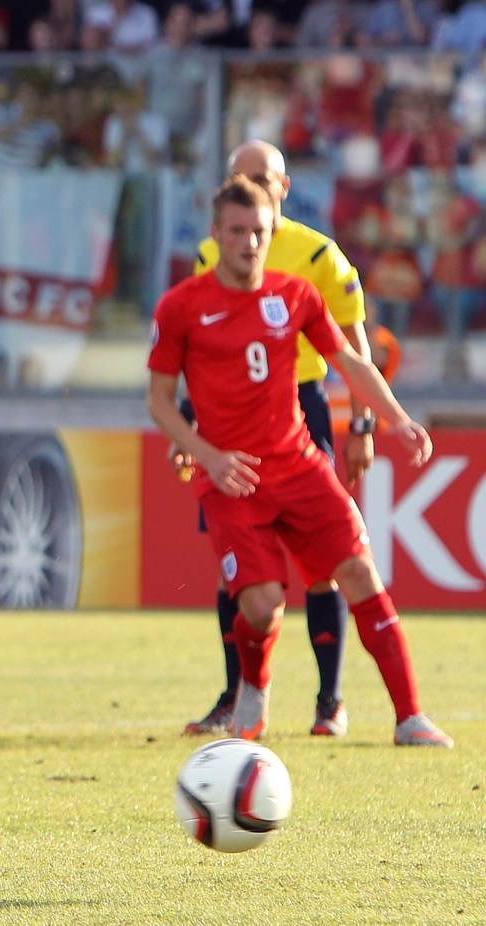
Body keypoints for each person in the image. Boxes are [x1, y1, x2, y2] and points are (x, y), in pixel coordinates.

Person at [147, 175, 452, 749]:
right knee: (261, 607)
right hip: (233, 478)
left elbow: (352, 362)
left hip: (299, 464)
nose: (248, 242)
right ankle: (254, 688)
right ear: (215, 235)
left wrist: (395, 417)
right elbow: (159, 400)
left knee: (360, 572)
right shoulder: (183, 306)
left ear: (271, 231)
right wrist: (207, 455)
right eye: (236, 232)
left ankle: (410, 716)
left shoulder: (296, 294)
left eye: (258, 231)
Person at [183, 139, 375, 739]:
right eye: (241, 177)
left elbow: (353, 347)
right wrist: (189, 430)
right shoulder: (209, 254)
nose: (254, 185)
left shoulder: (318, 254)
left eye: (263, 177)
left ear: (285, 188)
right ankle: (234, 695)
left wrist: (363, 425)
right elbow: (196, 348)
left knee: (323, 566)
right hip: (228, 422)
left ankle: (329, 700)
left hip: (302, 412)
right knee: (233, 572)